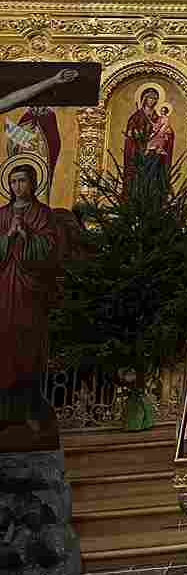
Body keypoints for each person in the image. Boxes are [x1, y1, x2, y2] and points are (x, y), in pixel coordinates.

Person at [0, 163, 82, 433]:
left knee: (29, 347)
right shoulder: (2, 214)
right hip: (4, 291)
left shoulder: (43, 214)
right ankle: (4, 412)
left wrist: (27, 236)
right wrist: (8, 236)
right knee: (4, 347)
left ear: (33, 183)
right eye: (13, 181)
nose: (18, 186)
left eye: (22, 181)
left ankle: (30, 411)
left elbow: (51, 249)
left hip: (31, 294)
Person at [123, 87, 174, 197]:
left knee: (154, 176)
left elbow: (166, 131)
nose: (152, 101)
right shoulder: (136, 117)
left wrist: (168, 134)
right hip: (139, 153)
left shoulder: (159, 117)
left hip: (154, 153)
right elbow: (130, 134)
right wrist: (137, 133)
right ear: (144, 99)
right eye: (150, 98)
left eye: (155, 99)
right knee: (139, 177)